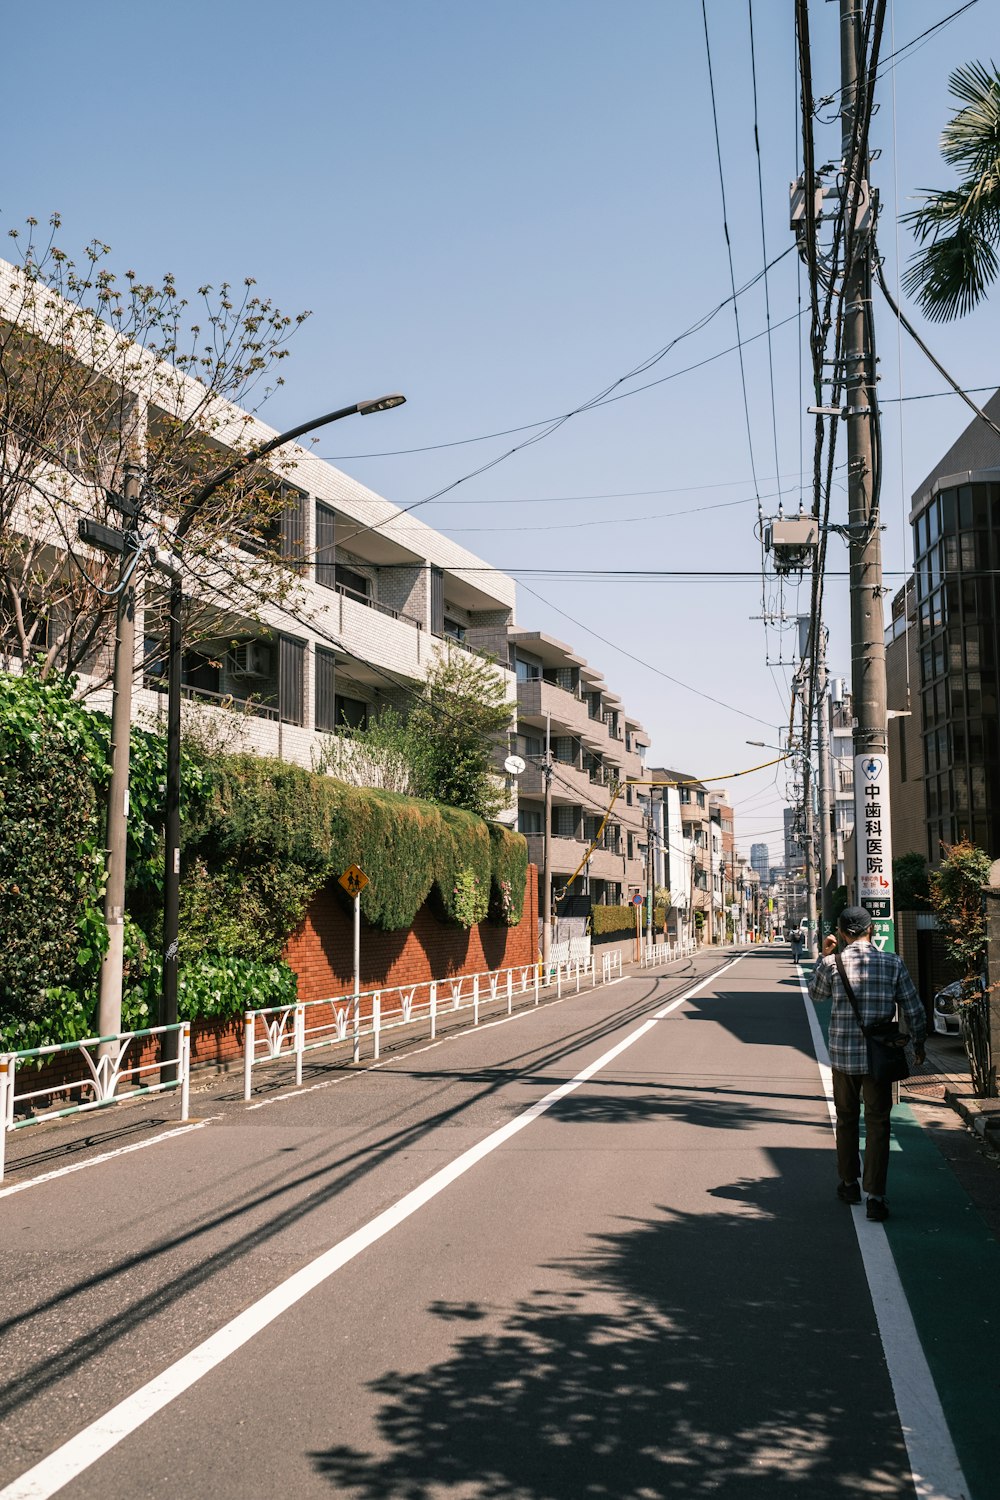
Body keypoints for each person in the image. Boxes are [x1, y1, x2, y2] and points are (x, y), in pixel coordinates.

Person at [809, 905, 926, 1221]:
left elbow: (816, 994)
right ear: (870, 929)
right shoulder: (892, 963)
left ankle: (848, 1184)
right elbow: (913, 1008)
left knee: (846, 1119)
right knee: (878, 1124)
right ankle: (876, 1197)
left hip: (843, 1057)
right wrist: (919, 1043)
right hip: (879, 1059)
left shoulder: (833, 964)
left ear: (844, 933)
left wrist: (824, 955)